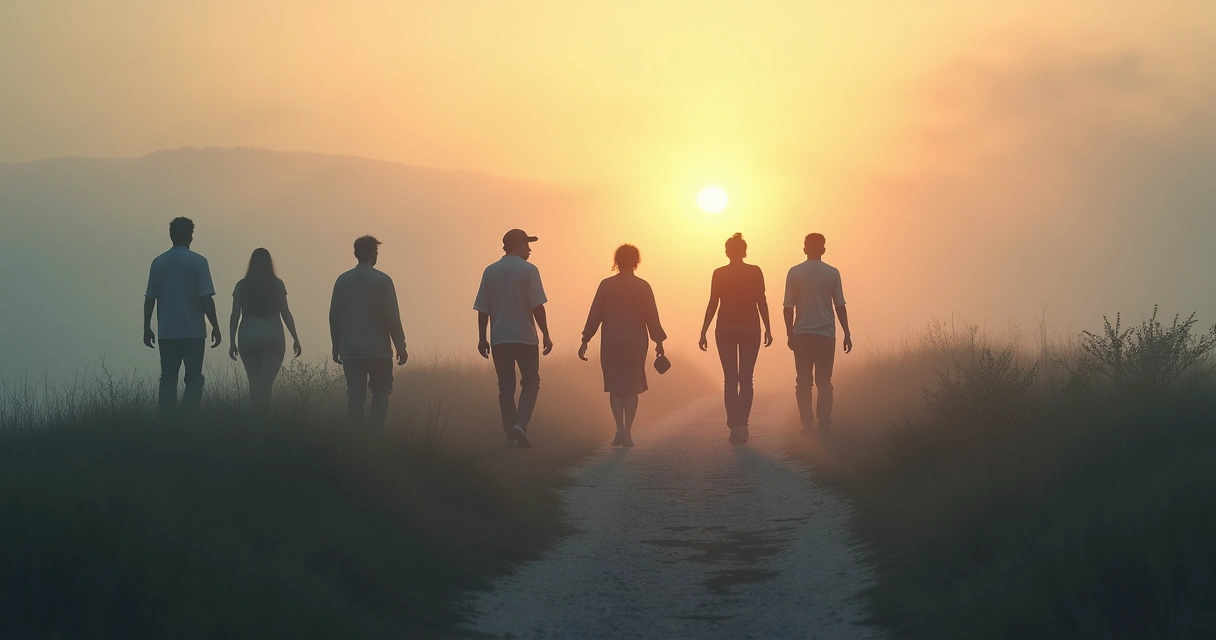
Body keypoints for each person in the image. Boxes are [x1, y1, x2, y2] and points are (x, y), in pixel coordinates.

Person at [578, 244, 667, 448]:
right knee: (632, 387)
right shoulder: (643, 286)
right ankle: (627, 432)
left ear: (616, 261)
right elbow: (652, 318)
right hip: (636, 343)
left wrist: (585, 339)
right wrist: (659, 342)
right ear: (636, 261)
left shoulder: (606, 285)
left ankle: (618, 428)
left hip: (612, 342)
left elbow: (595, 316)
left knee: (616, 387)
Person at [474, 229, 553, 448]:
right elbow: (537, 306)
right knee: (531, 381)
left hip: (500, 339)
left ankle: (510, 434)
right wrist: (546, 333)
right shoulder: (529, 270)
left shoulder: (490, 271)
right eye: (527, 245)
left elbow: (483, 309)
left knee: (506, 388)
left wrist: (482, 338)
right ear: (518, 245)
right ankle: (521, 423)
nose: (529, 249)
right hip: (526, 338)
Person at [698, 233, 773, 444]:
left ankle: (734, 425)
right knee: (746, 378)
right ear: (744, 251)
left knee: (730, 379)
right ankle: (742, 424)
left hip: (726, 329)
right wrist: (768, 327)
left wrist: (704, 330)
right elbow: (762, 301)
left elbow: (713, 302)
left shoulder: (719, 273)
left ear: (727, 252)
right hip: (750, 328)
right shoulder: (755, 271)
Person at [143, 217, 222, 415]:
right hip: (193, 331)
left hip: (167, 332)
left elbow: (150, 298)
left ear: (171, 236)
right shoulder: (199, 262)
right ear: (190, 236)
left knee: (168, 378)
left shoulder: (158, 263)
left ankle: (167, 420)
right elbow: (206, 298)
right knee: (194, 378)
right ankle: (189, 417)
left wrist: (147, 327)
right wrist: (215, 325)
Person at [328, 235, 408, 428]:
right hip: (378, 349)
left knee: (355, 396)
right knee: (381, 392)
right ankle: (375, 434)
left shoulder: (342, 280)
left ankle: (357, 437)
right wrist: (400, 345)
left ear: (355, 253)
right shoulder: (383, 280)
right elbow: (392, 317)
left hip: (351, 348)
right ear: (373, 254)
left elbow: (334, 316)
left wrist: (336, 345)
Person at [783, 233, 852, 434]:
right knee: (824, 381)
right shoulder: (832, 273)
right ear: (823, 249)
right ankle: (824, 423)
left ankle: (806, 424)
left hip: (802, 335)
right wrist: (847, 332)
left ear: (805, 249)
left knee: (803, 382)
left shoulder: (794, 273)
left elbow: (788, 307)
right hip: (826, 335)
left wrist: (790, 333)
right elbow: (840, 305)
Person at [228, 248, 302, 411]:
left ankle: (255, 418)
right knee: (266, 384)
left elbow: (234, 315)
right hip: (272, 334)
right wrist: (295, 338)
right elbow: (285, 313)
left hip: (247, 334)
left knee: (254, 382)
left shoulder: (241, 285)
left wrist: (232, 341)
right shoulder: (277, 284)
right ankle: (264, 418)